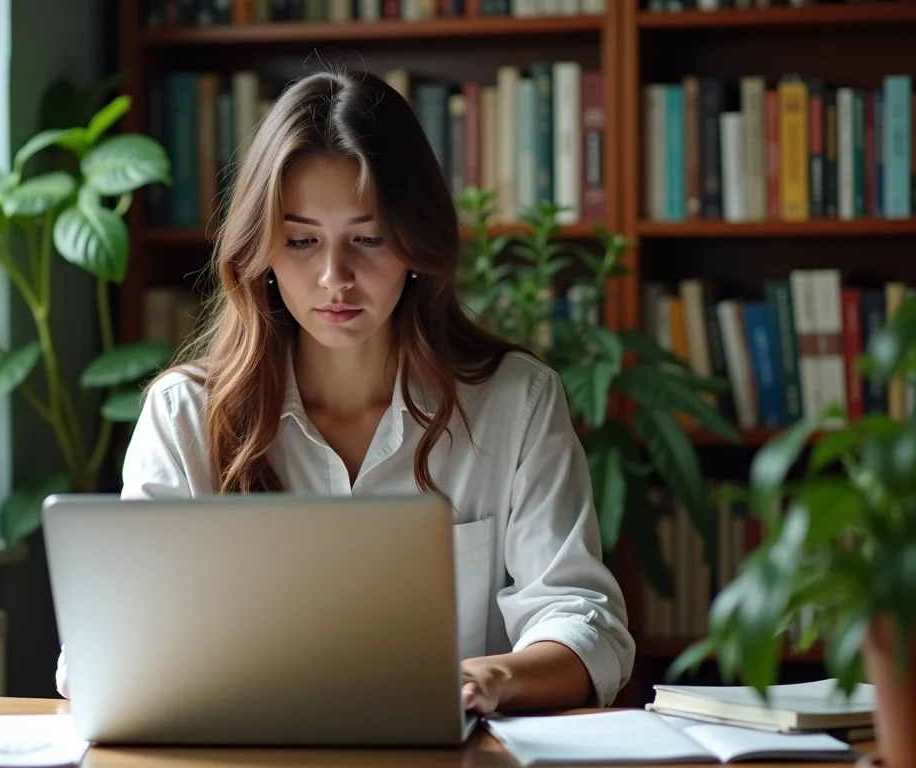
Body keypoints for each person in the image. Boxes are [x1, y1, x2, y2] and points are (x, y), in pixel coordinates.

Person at [56, 67, 635, 714]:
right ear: (263, 251)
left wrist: (490, 678)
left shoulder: (515, 403)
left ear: (417, 244)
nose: (336, 277)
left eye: (368, 239)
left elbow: (586, 623)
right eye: (302, 240)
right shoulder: (187, 415)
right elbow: (101, 652)